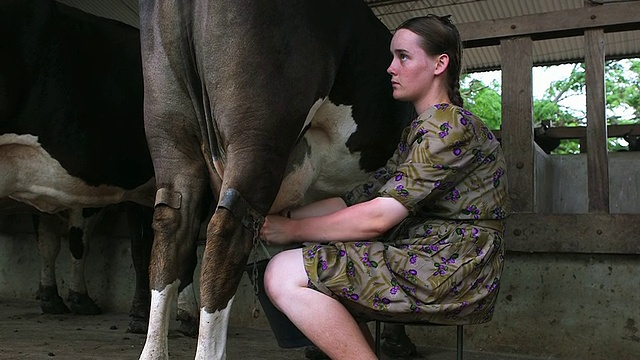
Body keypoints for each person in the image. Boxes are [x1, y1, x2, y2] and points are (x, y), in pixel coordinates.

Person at [259, 14, 510, 360]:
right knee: (307, 252)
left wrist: (292, 228)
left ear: (440, 64)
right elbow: (354, 201)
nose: (390, 68)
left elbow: (378, 217)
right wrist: (274, 216)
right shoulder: (419, 130)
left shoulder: (450, 126)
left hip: (455, 267)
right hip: (430, 256)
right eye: (392, 57)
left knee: (282, 272)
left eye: (403, 57)